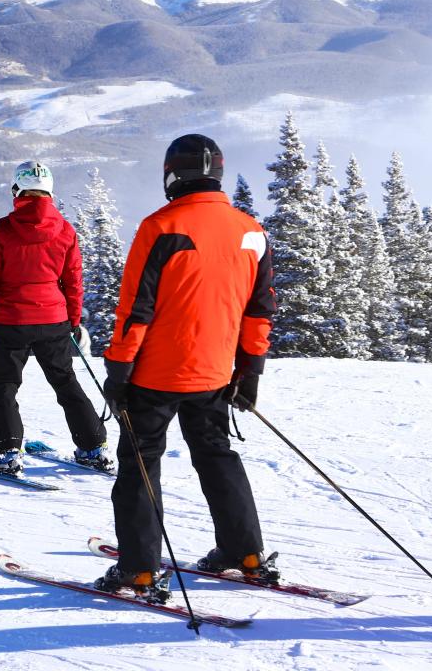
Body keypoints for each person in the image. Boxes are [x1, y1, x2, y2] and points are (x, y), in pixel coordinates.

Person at [96, 134, 277, 597]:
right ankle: (244, 552)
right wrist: (250, 371)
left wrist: (118, 373)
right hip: (216, 373)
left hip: (155, 374)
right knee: (217, 456)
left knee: (140, 464)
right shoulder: (251, 231)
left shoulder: (160, 226)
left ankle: (138, 568)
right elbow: (259, 311)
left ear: (171, 174)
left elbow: (135, 309)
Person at [0, 160, 111, 474]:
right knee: (65, 382)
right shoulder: (64, 229)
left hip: (11, 321)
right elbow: (73, 281)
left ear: (17, 190)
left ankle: (4, 452)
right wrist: (73, 320)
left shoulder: (5, 228)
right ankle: (92, 447)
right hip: (53, 321)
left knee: (5, 387)